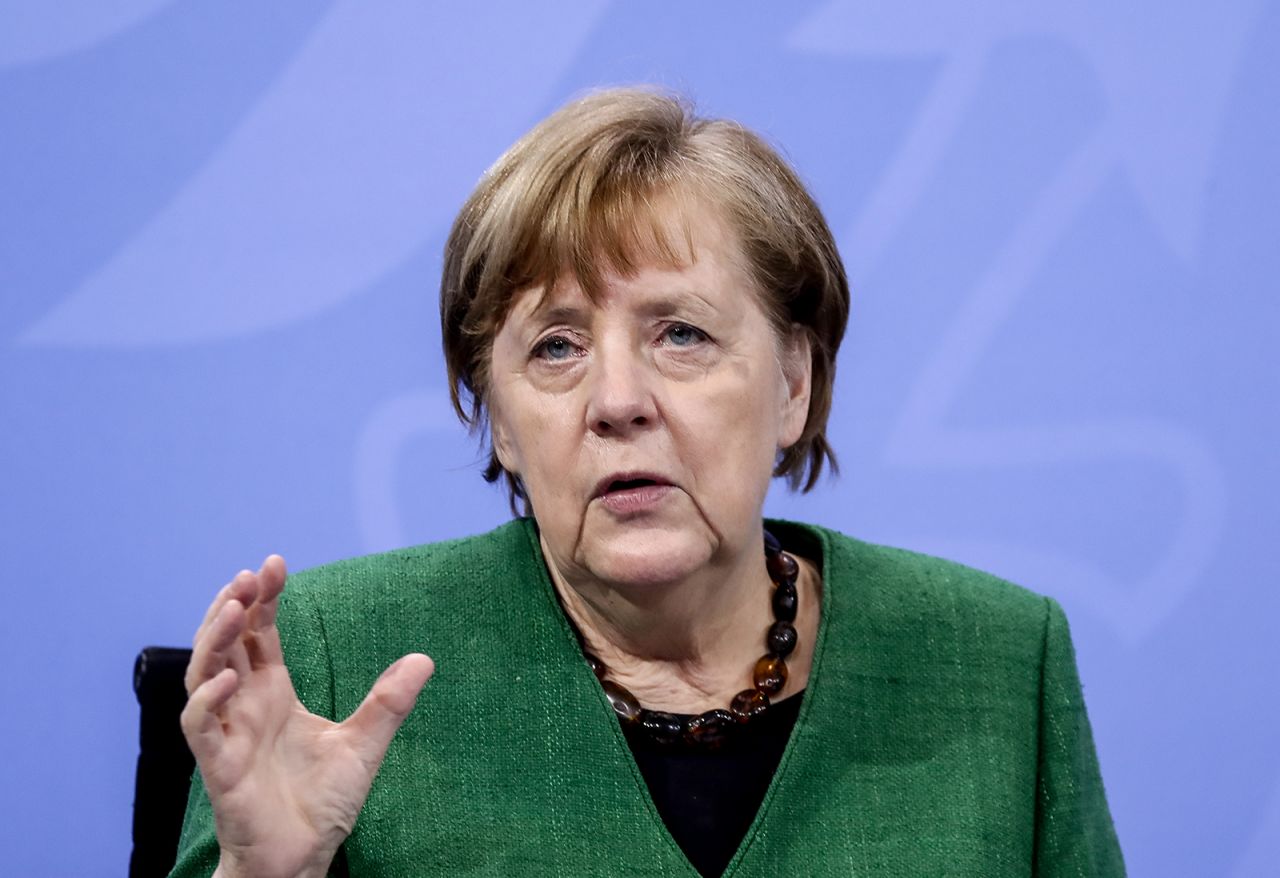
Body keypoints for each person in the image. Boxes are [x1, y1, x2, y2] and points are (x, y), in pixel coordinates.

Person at [171, 88, 1125, 877]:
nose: (618, 400)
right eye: (556, 346)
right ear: (497, 416)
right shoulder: (337, 657)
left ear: (794, 384)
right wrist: (265, 875)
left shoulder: (998, 661)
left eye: (682, 333)